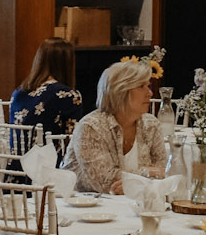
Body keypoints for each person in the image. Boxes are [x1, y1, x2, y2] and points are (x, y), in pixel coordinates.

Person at [62, 56, 169, 195]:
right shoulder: (91, 127)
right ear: (121, 91)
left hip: (135, 201)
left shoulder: (151, 124)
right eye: (141, 86)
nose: (150, 93)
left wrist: (133, 183)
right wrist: (147, 173)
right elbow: (105, 182)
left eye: (148, 86)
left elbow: (164, 172)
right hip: (85, 203)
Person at [9, 36, 88, 136]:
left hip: (18, 147)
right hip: (50, 146)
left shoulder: (18, 92)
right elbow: (72, 138)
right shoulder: (68, 95)